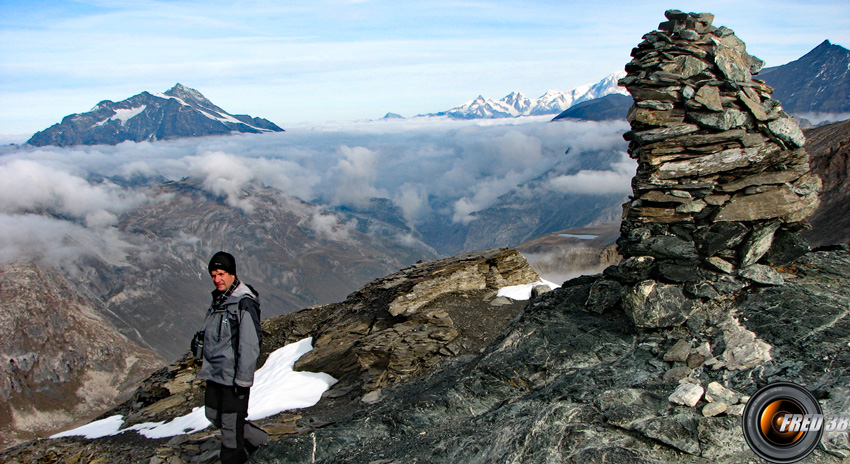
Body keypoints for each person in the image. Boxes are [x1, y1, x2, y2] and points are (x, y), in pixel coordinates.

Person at [196, 251, 269, 463]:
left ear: (232, 273)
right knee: (213, 414)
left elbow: (249, 344)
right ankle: (261, 441)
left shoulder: (243, 302)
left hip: (232, 378)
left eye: (221, 273)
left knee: (229, 428)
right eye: (213, 274)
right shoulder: (220, 299)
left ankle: (233, 459)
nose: (217, 279)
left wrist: (242, 381)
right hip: (214, 373)